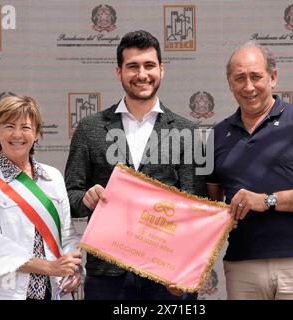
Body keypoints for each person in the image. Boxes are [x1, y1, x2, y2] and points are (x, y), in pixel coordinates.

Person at [65, 30, 206, 300]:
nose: (142, 74)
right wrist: (87, 198)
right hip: (108, 274)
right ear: (119, 71)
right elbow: (69, 196)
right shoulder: (89, 128)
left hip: (168, 276)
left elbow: (196, 207)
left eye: (149, 65)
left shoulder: (187, 131)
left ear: (161, 70)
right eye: (133, 66)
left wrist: (188, 270)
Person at [207, 41, 293, 300]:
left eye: (256, 76)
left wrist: (267, 200)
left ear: (273, 77)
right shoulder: (216, 135)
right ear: (229, 83)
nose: (248, 87)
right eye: (239, 78)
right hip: (242, 265)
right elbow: (208, 205)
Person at [0, 95, 83, 300]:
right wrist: (50, 267)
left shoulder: (53, 177)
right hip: (8, 292)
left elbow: (67, 234)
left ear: (37, 134)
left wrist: (73, 270)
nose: (17, 134)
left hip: (53, 291)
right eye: (9, 126)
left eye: (26, 127)